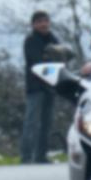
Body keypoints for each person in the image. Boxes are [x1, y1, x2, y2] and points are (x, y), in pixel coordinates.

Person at [21, 10, 59, 164]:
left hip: (50, 86)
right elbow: (38, 61)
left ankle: (41, 156)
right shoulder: (31, 40)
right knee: (31, 123)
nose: (44, 24)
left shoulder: (52, 38)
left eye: (46, 21)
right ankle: (26, 156)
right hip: (35, 87)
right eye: (40, 22)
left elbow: (61, 56)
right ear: (34, 24)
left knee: (46, 123)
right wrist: (50, 57)